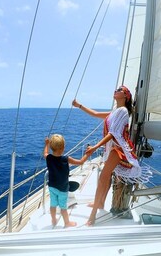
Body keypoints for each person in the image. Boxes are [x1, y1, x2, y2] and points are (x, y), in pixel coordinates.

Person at [72, 85, 141, 225]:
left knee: (103, 178)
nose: (116, 90)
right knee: (106, 177)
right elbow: (96, 114)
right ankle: (101, 203)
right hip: (113, 148)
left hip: (119, 149)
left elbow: (114, 133)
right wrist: (79, 105)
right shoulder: (116, 111)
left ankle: (92, 216)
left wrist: (96, 146)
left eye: (120, 90)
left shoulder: (123, 111)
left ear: (126, 96)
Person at [44, 134, 89, 228]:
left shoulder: (48, 158)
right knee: (63, 207)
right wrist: (88, 154)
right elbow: (80, 162)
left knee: (53, 204)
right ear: (63, 147)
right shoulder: (66, 159)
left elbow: (45, 152)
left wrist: (46, 144)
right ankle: (67, 223)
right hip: (62, 188)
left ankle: (53, 219)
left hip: (52, 186)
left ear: (52, 147)